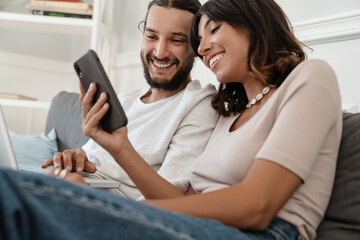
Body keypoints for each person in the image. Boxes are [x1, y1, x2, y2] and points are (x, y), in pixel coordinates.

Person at [0, 0, 342, 239]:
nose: (203, 47)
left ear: (253, 22)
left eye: (213, 31)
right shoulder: (229, 114)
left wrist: (117, 208)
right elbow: (186, 204)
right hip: (201, 228)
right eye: (199, 39)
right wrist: (116, 153)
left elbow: (257, 206)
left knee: (14, 191)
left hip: (263, 233)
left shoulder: (310, 77)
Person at [41, 0, 219, 199]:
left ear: (195, 47)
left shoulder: (198, 105)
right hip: (74, 190)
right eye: (151, 36)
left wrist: (119, 151)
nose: (160, 52)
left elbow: (172, 203)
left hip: (113, 211)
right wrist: (75, 159)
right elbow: (93, 159)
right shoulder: (124, 101)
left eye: (176, 40)